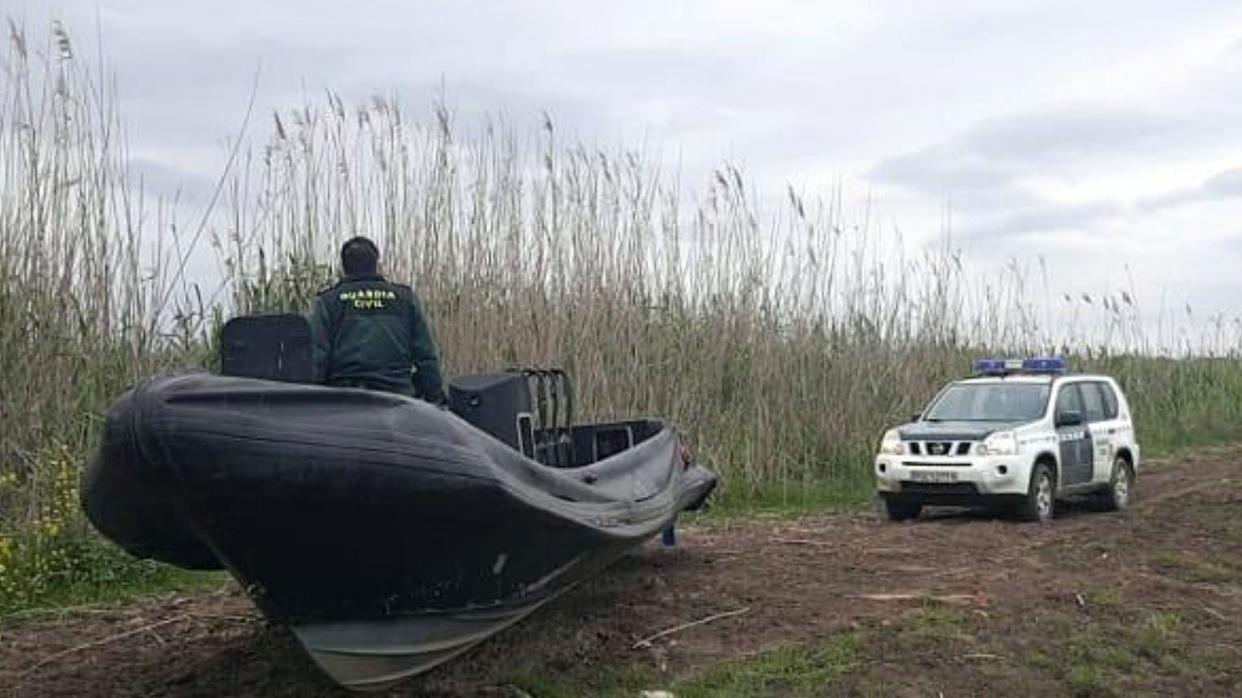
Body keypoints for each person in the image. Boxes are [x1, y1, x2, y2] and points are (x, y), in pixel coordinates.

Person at [309, 237, 446, 403]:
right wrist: (437, 400)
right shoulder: (405, 299)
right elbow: (426, 358)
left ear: (344, 267)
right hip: (398, 399)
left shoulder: (329, 302)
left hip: (344, 401)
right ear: (376, 264)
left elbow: (316, 360)